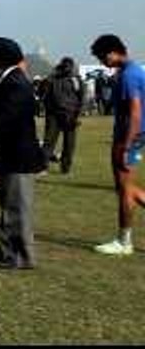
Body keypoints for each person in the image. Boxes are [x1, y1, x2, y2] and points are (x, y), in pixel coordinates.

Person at [0, 38, 47, 269]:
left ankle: (19, 256)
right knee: (11, 206)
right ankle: (10, 253)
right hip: (13, 154)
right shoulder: (12, 80)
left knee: (16, 208)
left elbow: (4, 120)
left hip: (18, 156)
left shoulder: (15, 84)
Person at [90, 34, 145, 255]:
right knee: (125, 188)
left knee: (124, 189)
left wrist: (128, 145)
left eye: (102, 57)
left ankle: (124, 241)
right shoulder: (134, 71)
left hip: (127, 137)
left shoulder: (129, 76)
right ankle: (124, 239)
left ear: (113, 52)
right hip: (134, 135)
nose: (102, 62)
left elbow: (134, 111)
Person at [42, 56, 83, 175]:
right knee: (51, 142)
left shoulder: (75, 80)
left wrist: (77, 114)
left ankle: (64, 168)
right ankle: (48, 166)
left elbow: (81, 97)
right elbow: (43, 93)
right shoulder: (52, 79)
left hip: (68, 114)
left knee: (66, 143)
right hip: (57, 114)